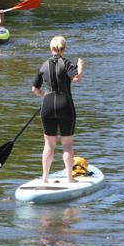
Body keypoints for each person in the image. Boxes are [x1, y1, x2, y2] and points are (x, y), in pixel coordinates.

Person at [31, 35, 84, 183]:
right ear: (64, 48)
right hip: (65, 104)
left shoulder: (43, 65)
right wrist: (80, 65)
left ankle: (45, 178)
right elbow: (77, 79)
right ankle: (69, 178)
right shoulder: (67, 63)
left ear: (51, 48)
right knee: (67, 144)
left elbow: (34, 89)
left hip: (47, 105)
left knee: (49, 144)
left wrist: (44, 96)